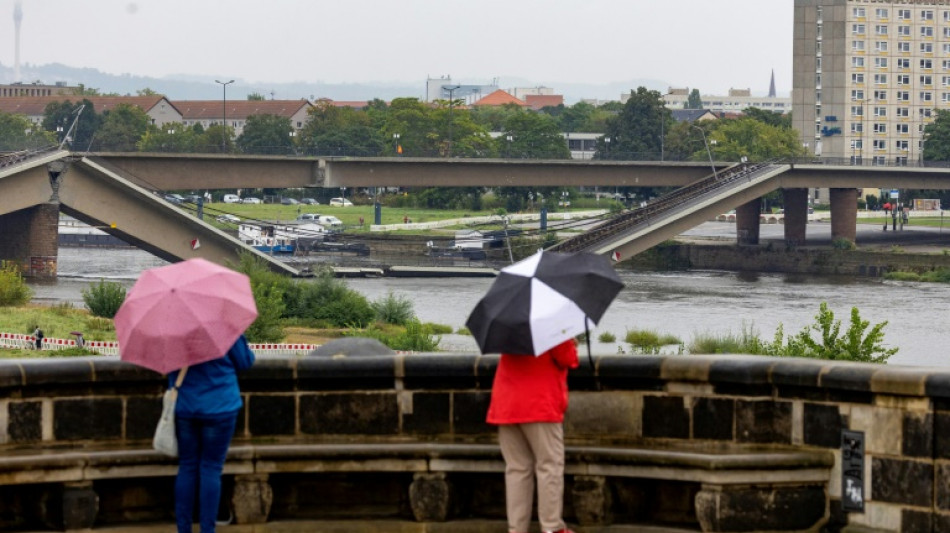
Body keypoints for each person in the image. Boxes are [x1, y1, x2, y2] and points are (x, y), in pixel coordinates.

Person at [486, 339, 578, 533]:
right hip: (539, 403)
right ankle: (552, 527)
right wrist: (571, 343)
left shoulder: (511, 322)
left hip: (507, 402)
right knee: (549, 466)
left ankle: (516, 529)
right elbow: (567, 359)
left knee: (517, 469)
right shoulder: (551, 321)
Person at [171, 334, 255, 533]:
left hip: (186, 405)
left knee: (187, 466)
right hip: (220, 406)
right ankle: (207, 530)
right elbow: (245, 361)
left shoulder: (174, 329)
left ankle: (183, 529)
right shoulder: (223, 326)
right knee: (211, 468)